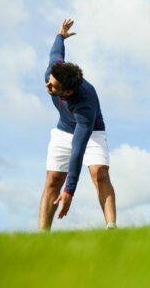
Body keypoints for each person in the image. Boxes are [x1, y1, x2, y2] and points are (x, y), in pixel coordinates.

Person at [38, 19, 117, 230]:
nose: (47, 85)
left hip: (91, 133)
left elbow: (78, 150)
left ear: (68, 91)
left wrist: (69, 191)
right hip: (63, 130)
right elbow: (55, 54)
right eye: (49, 80)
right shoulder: (52, 74)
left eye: (53, 86)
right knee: (53, 179)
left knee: (99, 172)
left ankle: (111, 227)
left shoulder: (85, 105)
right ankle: (42, 236)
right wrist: (60, 37)